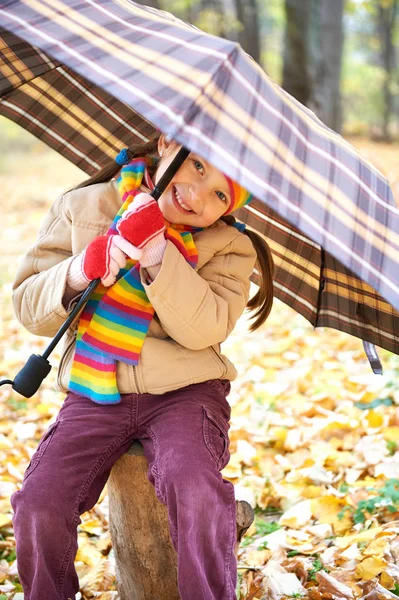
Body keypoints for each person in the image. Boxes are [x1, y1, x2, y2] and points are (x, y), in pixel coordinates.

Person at [10, 133, 274, 600]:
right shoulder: (86, 205)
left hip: (186, 392)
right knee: (40, 501)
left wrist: (158, 256)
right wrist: (84, 268)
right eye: (197, 167)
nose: (197, 195)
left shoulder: (230, 246)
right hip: (95, 388)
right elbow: (28, 306)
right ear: (169, 142)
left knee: (193, 486)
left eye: (220, 195)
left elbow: (204, 328)